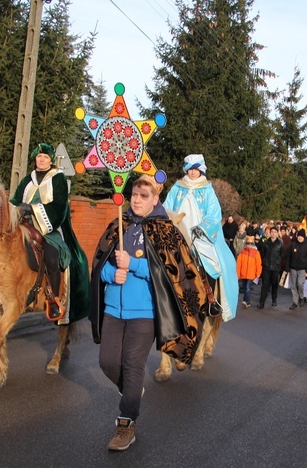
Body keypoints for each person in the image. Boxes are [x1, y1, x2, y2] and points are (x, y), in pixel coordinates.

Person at [90, 174, 207, 451]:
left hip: (144, 312)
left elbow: (171, 276)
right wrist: (110, 273)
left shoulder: (165, 230)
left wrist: (133, 265)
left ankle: (126, 423)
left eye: (145, 196)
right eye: (135, 195)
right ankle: (132, 391)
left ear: (156, 198)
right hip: (112, 309)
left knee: (133, 365)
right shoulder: (119, 223)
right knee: (107, 362)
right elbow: (99, 265)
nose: (138, 200)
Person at [0, 142, 90, 323]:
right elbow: (14, 201)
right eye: (39, 157)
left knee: (53, 257)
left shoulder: (58, 179)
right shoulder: (27, 180)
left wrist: (32, 209)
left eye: (45, 157)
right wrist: (13, 211)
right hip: (23, 225)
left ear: (51, 160)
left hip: (48, 227)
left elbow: (60, 207)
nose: (41, 160)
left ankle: (53, 298)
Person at [163, 154, 238, 321]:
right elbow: (166, 208)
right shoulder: (177, 187)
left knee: (214, 264)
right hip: (176, 233)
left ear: (201, 170)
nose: (192, 173)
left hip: (199, 236)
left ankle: (211, 301)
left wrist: (202, 229)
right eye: (190, 169)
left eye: (195, 169)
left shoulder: (207, 190)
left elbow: (213, 215)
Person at [284, 229, 307, 310]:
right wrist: (287, 268)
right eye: (299, 236)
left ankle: (301, 297)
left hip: (302, 269)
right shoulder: (293, 244)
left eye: (301, 236)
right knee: (293, 285)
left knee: (300, 283)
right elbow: (288, 257)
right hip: (293, 268)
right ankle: (295, 302)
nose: (300, 238)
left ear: (304, 237)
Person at [258, 226, 285, 308]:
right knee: (265, 284)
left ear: (277, 234)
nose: (273, 233)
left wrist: (278, 262)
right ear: (269, 233)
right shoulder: (266, 243)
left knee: (274, 284)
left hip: (275, 267)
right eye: (272, 232)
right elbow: (262, 253)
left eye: (275, 232)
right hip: (266, 266)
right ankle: (261, 302)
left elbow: (283, 255)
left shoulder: (280, 244)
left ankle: (274, 299)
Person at [236, 236, 262, 308]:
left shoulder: (256, 253)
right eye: (248, 243)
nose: (249, 245)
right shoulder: (242, 252)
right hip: (243, 273)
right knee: (245, 288)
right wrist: (238, 274)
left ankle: (246, 301)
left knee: (247, 287)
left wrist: (258, 273)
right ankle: (246, 300)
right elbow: (238, 264)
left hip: (251, 274)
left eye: (251, 243)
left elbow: (258, 264)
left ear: (253, 244)